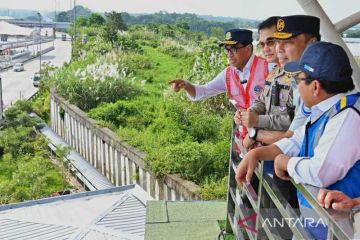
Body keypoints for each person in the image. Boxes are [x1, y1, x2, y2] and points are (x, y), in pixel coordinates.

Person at [236, 41, 360, 239]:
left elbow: (321, 172)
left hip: (337, 228)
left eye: (299, 80)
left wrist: (285, 162)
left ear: (316, 87)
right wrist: (257, 153)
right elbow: (297, 140)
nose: (296, 86)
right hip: (316, 220)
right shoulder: (325, 110)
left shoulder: (347, 116)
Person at [239, 15, 320, 146]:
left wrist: (257, 126)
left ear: (312, 43)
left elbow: (293, 126)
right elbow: (262, 100)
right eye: (278, 41)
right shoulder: (276, 71)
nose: (278, 48)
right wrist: (250, 113)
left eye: (287, 42)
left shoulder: (311, 82)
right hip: (276, 148)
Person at [169, 28, 270, 111]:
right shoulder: (228, 74)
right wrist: (187, 85)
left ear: (248, 48)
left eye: (234, 48)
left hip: (266, 132)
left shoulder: (269, 69)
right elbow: (204, 91)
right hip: (242, 133)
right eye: (227, 49)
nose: (229, 54)